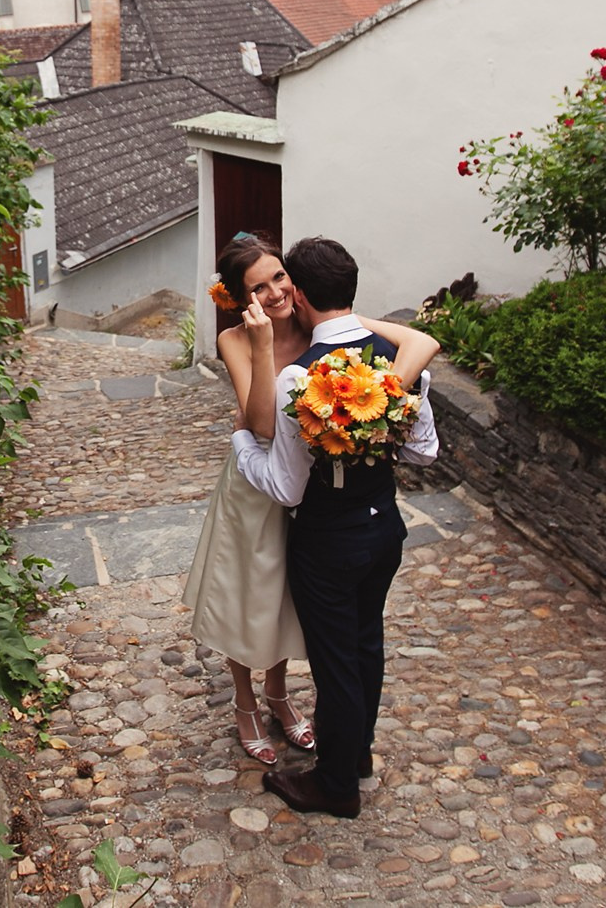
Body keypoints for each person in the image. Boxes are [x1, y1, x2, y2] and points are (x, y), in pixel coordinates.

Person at [182, 232, 438, 767]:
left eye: (280, 277)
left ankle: (278, 693)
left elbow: (408, 343)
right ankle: (246, 701)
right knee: (248, 592)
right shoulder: (235, 340)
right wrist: (260, 346)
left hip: (311, 494)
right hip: (256, 485)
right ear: (241, 298)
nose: (275, 292)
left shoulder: (315, 324)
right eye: (259, 287)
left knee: (286, 598)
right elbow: (260, 425)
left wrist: (385, 395)